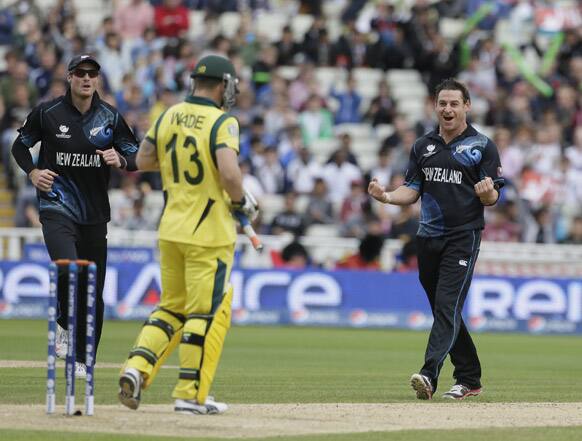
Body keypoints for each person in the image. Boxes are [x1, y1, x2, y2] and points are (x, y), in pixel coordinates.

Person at [117, 55, 258, 415]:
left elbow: (144, 160)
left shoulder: (168, 114)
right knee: (204, 313)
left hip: (171, 228)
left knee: (170, 308)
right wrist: (242, 202)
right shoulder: (222, 121)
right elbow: (229, 172)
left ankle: (136, 368)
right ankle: (190, 394)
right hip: (208, 233)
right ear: (223, 85)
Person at [368, 78, 504, 400]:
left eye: (454, 103)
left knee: (446, 307)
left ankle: (429, 375)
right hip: (427, 239)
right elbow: (412, 190)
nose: (447, 109)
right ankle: (470, 378)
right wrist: (386, 196)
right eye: (442, 103)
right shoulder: (423, 146)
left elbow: (493, 195)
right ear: (435, 106)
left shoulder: (482, 146)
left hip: (463, 238)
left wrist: (488, 195)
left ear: (466, 106)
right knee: (447, 311)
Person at [11, 54, 140, 377]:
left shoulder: (110, 117)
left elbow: (136, 155)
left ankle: (84, 360)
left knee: (92, 290)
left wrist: (121, 160)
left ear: (97, 79)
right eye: (80, 73)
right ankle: (63, 323)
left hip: (95, 214)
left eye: (92, 74)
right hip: (56, 206)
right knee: (68, 269)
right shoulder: (48, 112)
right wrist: (32, 173)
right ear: (69, 77)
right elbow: (19, 146)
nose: (86, 78)